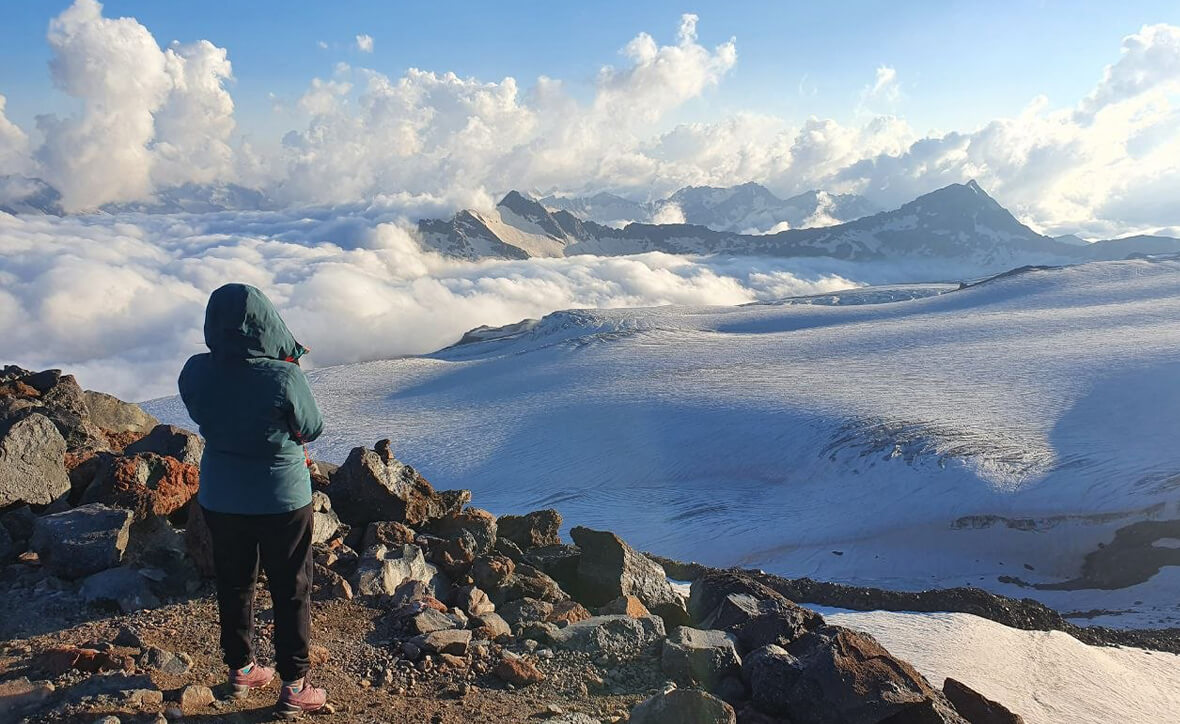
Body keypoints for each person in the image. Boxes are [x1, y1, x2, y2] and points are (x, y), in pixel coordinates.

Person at [178, 283, 327, 718]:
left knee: (234, 580)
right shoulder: (284, 376)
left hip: (221, 495)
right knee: (291, 587)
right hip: (282, 498)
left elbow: (200, 412)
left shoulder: (196, 370)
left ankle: (241, 669)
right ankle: (295, 686)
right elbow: (311, 427)